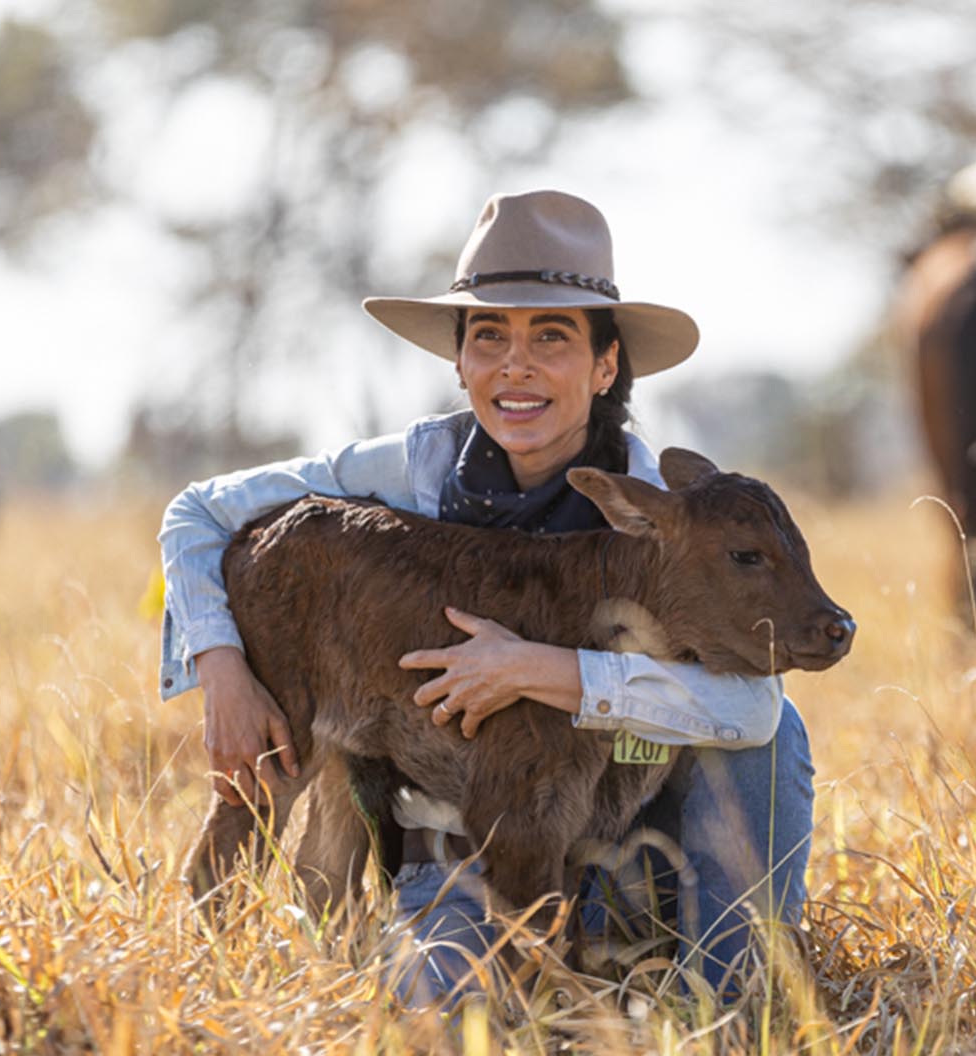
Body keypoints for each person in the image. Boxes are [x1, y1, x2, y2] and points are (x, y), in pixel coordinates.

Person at [156, 190, 814, 1003]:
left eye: (552, 337)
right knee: (448, 1007)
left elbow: (755, 715)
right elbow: (196, 512)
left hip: (634, 855)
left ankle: (731, 996)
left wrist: (539, 668)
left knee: (776, 731)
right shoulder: (418, 468)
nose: (517, 366)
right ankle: (244, 971)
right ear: (459, 362)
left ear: (607, 366)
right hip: (465, 842)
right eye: (490, 337)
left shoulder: (660, 512)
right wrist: (220, 666)